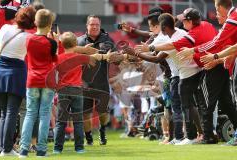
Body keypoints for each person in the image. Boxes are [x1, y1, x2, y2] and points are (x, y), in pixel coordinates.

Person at [135, 8, 219, 145]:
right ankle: (204, 134)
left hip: (186, 74)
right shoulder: (180, 33)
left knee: (187, 106)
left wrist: (141, 52)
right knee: (195, 105)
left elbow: (158, 57)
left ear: (163, 27)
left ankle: (191, 136)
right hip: (193, 72)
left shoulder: (175, 39)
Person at [178, 0, 237, 145]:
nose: (216, 16)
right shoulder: (208, 25)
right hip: (221, 66)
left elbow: (216, 43)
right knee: (226, 102)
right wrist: (218, 58)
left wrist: (194, 51)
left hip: (213, 68)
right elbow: (229, 46)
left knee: (205, 102)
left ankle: (208, 135)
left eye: (184, 21)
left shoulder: (231, 20)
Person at [0, 6, 35, 157]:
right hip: (16, 72)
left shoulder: (5, 28)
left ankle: (3, 148)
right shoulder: (28, 37)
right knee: (12, 112)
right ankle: (6, 149)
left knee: (3, 113)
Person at [19, 9, 56, 158]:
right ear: (50, 24)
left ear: (35, 22)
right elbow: (55, 61)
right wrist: (56, 43)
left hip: (32, 79)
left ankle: (23, 150)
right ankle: (41, 150)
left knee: (30, 114)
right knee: (44, 114)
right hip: (47, 80)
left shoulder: (28, 39)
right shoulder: (51, 42)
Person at [53, 32, 97, 154]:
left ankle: (57, 148)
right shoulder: (78, 57)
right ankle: (79, 147)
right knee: (78, 121)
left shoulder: (58, 58)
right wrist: (87, 50)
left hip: (62, 90)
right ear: (75, 43)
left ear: (62, 44)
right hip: (77, 89)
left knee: (61, 121)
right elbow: (93, 58)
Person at [77, 15, 116, 145]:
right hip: (84, 83)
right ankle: (88, 139)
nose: (94, 27)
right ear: (87, 26)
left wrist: (114, 57)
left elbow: (115, 57)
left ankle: (102, 130)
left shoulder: (107, 39)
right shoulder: (79, 41)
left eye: (97, 25)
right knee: (85, 114)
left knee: (103, 113)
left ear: (100, 26)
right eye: (92, 24)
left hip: (102, 83)